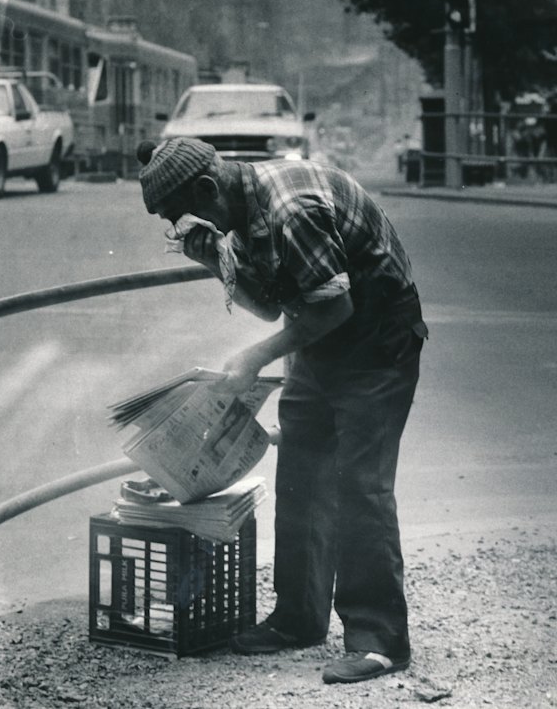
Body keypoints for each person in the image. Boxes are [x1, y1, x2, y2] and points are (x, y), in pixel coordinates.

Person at [136, 136, 428, 685]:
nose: (186, 227)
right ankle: (299, 616)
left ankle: (379, 640)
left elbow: (336, 304)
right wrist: (211, 263)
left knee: (360, 486)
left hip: (377, 337)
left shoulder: (289, 206)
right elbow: (271, 307)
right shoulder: (239, 210)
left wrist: (254, 357)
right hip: (319, 336)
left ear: (206, 187)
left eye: (184, 215)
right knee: (301, 476)